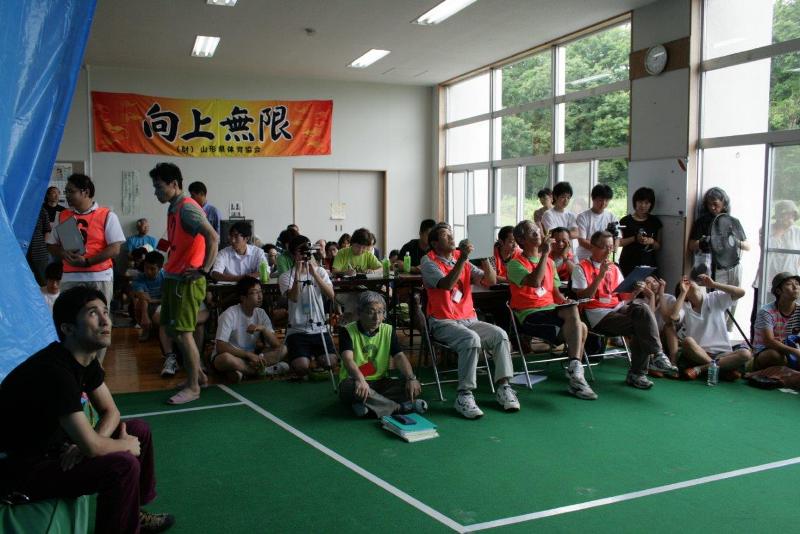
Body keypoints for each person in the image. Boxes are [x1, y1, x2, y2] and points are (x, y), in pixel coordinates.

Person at [0, 287, 174, 533]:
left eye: (105, 311)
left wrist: (86, 447)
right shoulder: (54, 372)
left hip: (55, 449)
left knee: (139, 430)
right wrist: (118, 445)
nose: (106, 320)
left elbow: (111, 411)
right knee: (123, 464)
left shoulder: (85, 359)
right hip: (23, 470)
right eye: (93, 313)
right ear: (68, 328)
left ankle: (134, 513)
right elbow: (93, 446)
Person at [420, 223, 519, 418]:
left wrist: (484, 257)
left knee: (500, 335)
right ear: (434, 243)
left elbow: (490, 280)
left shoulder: (460, 257)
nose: (451, 237)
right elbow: (447, 284)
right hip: (442, 321)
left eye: (451, 234)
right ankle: (464, 395)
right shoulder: (428, 260)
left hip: (469, 319)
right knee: (471, 339)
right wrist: (463, 258)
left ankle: (504, 387)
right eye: (445, 235)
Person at [572, 231, 678, 389]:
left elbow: (624, 297)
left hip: (618, 308)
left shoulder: (614, 268)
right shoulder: (581, 267)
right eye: (604, 247)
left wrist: (635, 291)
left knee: (642, 308)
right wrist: (600, 276)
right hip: (596, 314)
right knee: (641, 325)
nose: (609, 251)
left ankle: (657, 355)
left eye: (611, 247)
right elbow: (583, 296)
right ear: (592, 247)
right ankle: (640, 370)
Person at [150, 163, 219, 405]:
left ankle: (193, 387)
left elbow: (213, 237)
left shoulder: (187, 208)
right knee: (172, 330)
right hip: (173, 277)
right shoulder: (174, 208)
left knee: (183, 333)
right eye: (155, 187)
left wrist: (204, 271)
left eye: (159, 187)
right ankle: (198, 376)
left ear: (174, 184)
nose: (156, 192)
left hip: (187, 281)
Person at [507, 220, 596, 400]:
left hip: (552, 309)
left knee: (574, 313)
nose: (538, 233)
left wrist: (565, 300)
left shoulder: (549, 262)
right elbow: (535, 282)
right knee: (581, 327)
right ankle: (576, 376)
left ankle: (575, 372)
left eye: (537, 230)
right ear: (521, 240)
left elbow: (555, 293)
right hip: (530, 314)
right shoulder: (515, 264)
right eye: (532, 232)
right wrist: (545, 253)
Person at [47, 173, 125, 365]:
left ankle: (95, 368)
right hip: (70, 277)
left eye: (71, 191)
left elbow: (115, 248)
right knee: (69, 321)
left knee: (99, 322)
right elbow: (51, 245)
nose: (67, 195)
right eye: (66, 191)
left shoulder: (107, 215)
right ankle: (74, 365)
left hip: (99, 277)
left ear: (85, 192)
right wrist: (62, 253)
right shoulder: (63, 215)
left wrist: (88, 262)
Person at [339, 291, 426, 417]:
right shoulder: (347, 331)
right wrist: (360, 379)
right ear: (359, 313)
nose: (376, 318)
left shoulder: (388, 330)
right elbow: (348, 360)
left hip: (380, 383)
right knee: (350, 389)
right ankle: (398, 408)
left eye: (380, 312)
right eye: (371, 312)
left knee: (411, 386)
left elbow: (399, 356)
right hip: (354, 380)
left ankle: (368, 406)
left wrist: (411, 378)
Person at [670, 271, 752, 380]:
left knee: (746, 354)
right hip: (699, 353)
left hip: (722, 354)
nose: (689, 283)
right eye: (685, 285)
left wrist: (714, 284)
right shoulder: (685, 306)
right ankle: (721, 369)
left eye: (690, 282)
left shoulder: (714, 297)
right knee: (687, 341)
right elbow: (674, 317)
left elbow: (741, 293)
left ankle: (701, 369)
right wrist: (683, 292)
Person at [687, 187, 749, 326]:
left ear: (724, 203)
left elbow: (747, 246)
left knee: (733, 299)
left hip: (733, 266)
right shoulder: (702, 222)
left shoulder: (733, 221)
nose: (712, 207)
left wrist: (733, 241)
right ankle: (716, 328)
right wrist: (706, 241)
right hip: (714, 267)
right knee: (716, 300)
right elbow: (691, 245)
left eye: (715, 204)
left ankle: (727, 330)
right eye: (709, 204)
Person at [279, 235, 338, 376]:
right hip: (298, 330)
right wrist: (298, 274)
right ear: (293, 255)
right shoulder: (286, 276)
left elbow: (331, 295)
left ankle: (313, 356)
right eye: (301, 251)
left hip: (319, 328)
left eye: (307, 251)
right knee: (301, 367)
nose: (305, 255)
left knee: (331, 362)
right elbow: (294, 297)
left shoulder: (320, 272)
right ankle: (305, 356)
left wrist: (315, 274)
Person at [210, 277, 288, 383]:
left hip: (252, 357)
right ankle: (264, 370)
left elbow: (276, 344)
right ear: (243, 298)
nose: (260, 296)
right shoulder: (229, 314)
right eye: (254, 292)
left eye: (260, 291)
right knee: (225, 359)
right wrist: (247, 355)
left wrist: (263, 329)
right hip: (234, 355)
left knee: (283, 349)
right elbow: (221, 346)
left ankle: (243, 371)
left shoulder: (261, 313)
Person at [751, 200, 800, 336]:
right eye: (786, 214)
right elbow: (766, 247)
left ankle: (786, 342)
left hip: (789, 280)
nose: (789, 218)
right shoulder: (766, 229)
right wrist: (780, 230)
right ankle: (756, 343)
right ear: (778, 215)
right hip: (767, 279)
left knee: (790, 314)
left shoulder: (797, 232)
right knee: (760, 313)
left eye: (792, 215)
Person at [752, 272, 800, 371]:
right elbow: (769, 342)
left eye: (797, 283)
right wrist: (795, 352)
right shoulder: (766, 311)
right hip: (766, 351)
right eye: (789, 284)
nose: (795, 287)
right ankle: (754, 367)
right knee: (775, 356)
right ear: (778, 291)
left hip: (789, 350)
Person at [618, 187, 663, 276]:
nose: (643, 205)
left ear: (651, 204)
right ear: (635, 202)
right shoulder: (625, 221)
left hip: (649, 264)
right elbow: (619, 243)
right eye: (640, 202)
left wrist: (651, 241)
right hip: (628, 263)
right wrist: (635, 238)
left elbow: (658, 246)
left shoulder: (655, 221)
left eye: (646, 203)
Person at [638, 275, 680, 367]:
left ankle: (674, 362)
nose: (653, 284)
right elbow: (649, 320)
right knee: (647, 331)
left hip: (665, 337)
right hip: (650, 338)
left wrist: (661, 294)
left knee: (669, 325)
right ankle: (655, 362)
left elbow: (668, 319)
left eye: (654, 281)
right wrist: (652, 296)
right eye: (648, 283)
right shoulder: (639, 302)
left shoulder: (670, 298)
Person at [576, 184, 617, 262]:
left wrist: (612, 249)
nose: (603, 203)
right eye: (600, 200)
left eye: (606, 201)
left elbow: (617, 238)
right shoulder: (583, 217)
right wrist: (600, 250)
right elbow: (582, 241)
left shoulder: (612, 217)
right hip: (585, 258)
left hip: (604, 259)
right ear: (593, 198)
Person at [132, 251, 166, 343]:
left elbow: (167, 299)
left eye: (152, 269)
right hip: (147, 304)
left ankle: (156, 329)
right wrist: (144, 316)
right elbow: (143, 297)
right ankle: (146, 328)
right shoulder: (139, 278)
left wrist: (153, 300)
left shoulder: (166, 277)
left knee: (157, 318)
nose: (148, 271)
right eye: (146, 267)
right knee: (141, 302)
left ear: (160, 268)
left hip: (163, 305)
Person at [27, 201, 51, 286]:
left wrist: (44, 245)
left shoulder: (41, 210)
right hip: (22, 250)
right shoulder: (18, 208)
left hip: (39, 250)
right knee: (26, 281)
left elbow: (47, 230)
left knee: (43, 280)